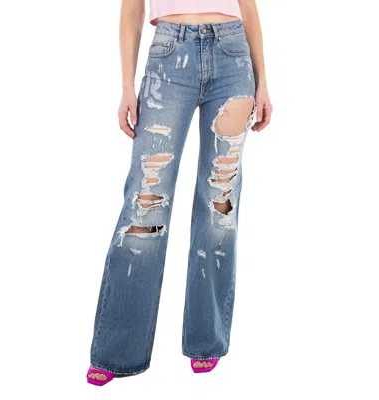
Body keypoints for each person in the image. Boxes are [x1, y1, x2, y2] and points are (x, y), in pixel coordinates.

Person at [87, 0, 273, 385]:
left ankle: (207, 339)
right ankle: (117, 350)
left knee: (219, 207)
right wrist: (126, 86)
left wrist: (263, 82)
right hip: (168, 57)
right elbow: (132, 8)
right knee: (145, 208)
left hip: (232, 57)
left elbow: (248, 7)